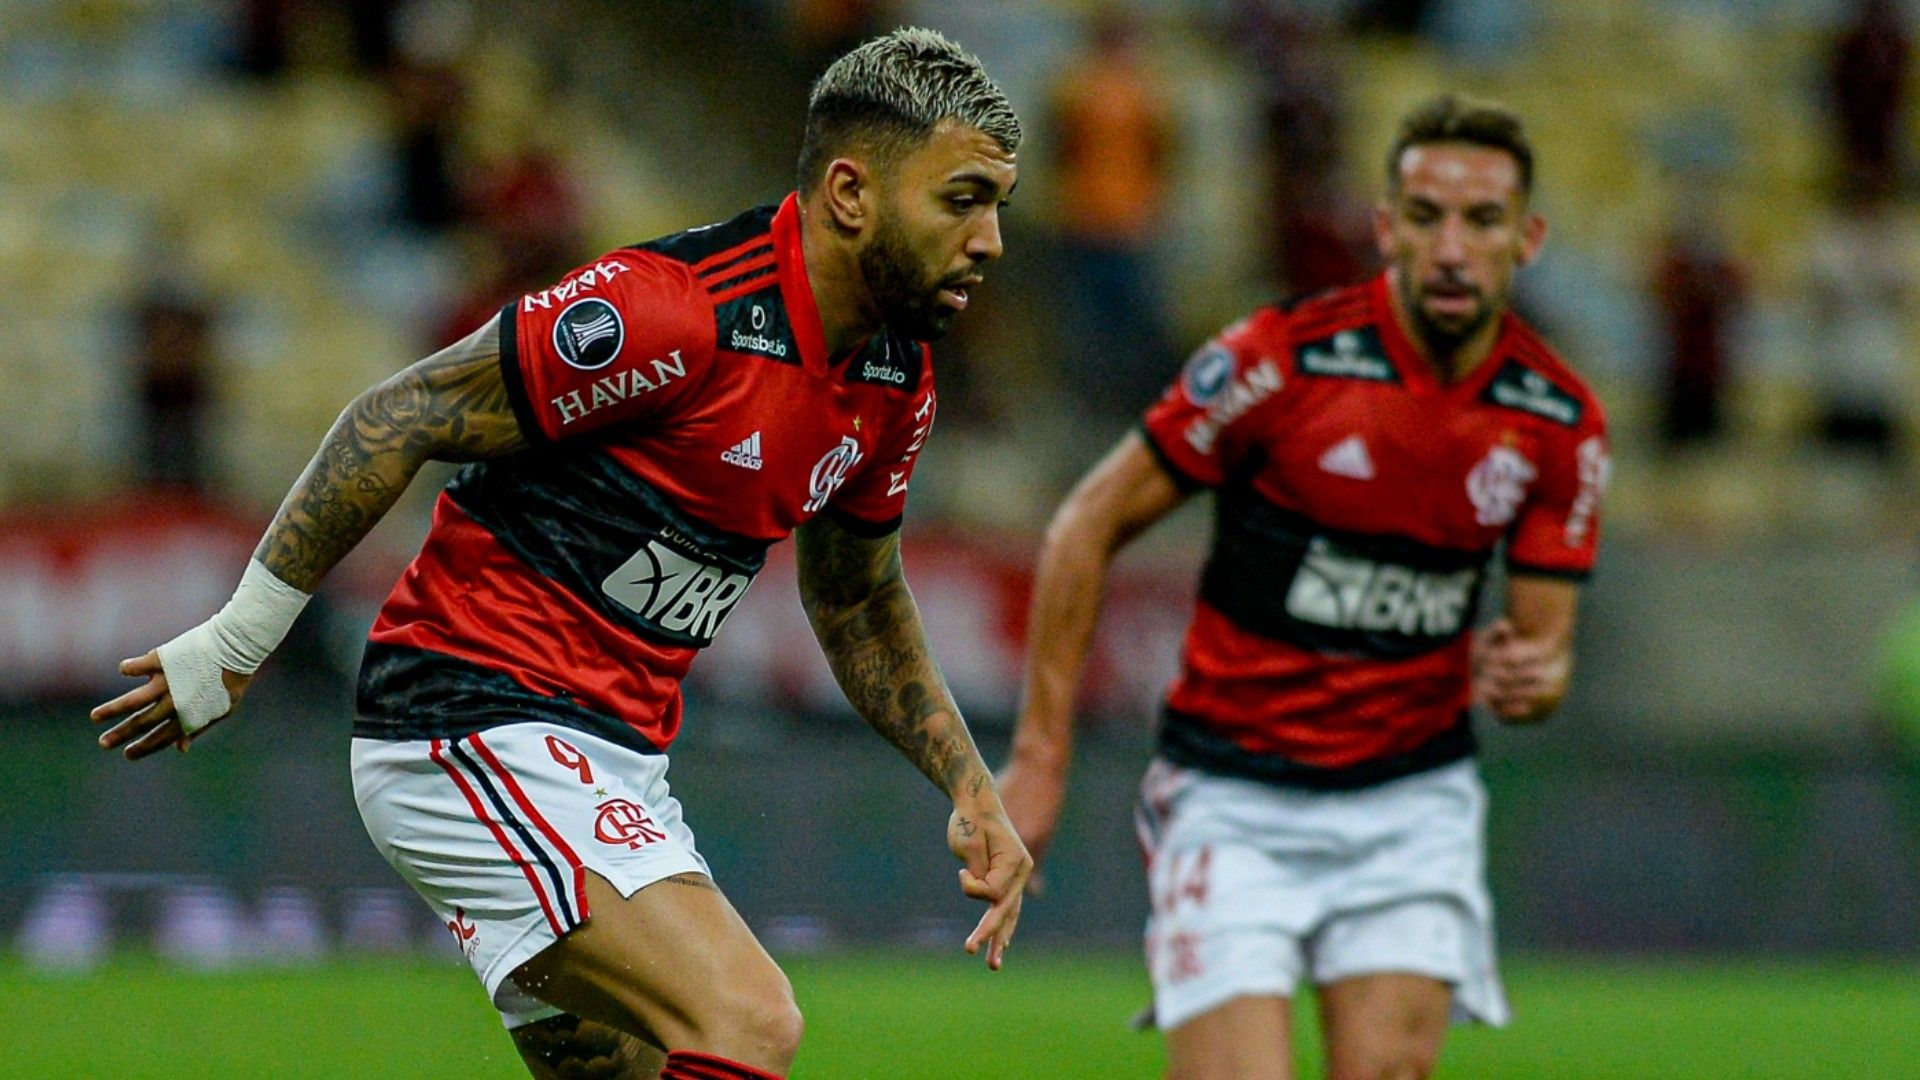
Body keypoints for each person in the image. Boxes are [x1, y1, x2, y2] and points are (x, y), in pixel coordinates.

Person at [92, 28, 1032, 1080]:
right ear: (851, 193)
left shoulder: (894, 379)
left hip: (613, 757)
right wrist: (237, 642)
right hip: (467, 719)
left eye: (998, 204)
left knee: (639, 1068)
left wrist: (969, 785)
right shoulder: (678, 311)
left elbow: (856, 601)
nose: (991, 240)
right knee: (747, 1020)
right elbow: (400, 413)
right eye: (962, 200)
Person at [997, 95, 1609, 1080]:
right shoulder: (1278, 362)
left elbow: (1542, 658)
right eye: (1427, 217)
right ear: (1386, 229)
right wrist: (1039, 757)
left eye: (1483, 220)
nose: (1453, 249)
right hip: (1235, 795)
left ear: (1526, 238)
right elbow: (1086, 524)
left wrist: (1537, 679)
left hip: (1412, 803)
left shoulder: (1556, 422)